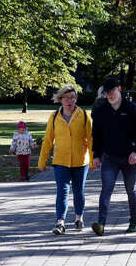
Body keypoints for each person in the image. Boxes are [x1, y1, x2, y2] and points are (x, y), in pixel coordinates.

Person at [91, 77, 136, 236]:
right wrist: (96, 155)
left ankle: (134, 222)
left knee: (131, 189)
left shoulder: (132, 108)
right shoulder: (101, 111)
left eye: (112, 92)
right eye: (107, 93)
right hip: (110, 157)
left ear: (119, 89)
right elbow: (97, 135)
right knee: (106, 189)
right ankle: (101, 223)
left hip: (129, 157)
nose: (109, 95)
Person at [38, 84, 93, 235]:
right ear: (61, 99)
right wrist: (42, 162)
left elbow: (91, 138)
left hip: (80, 160)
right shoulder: (55, 116)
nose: (70, 101)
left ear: (76, 99)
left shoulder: (84, 115)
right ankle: (60, 222)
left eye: (73, 98)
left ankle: (79, 218)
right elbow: (47, 140)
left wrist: (93, 159)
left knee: (78, 190)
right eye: (67, 98)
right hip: (60, 160)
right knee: (62, 191)